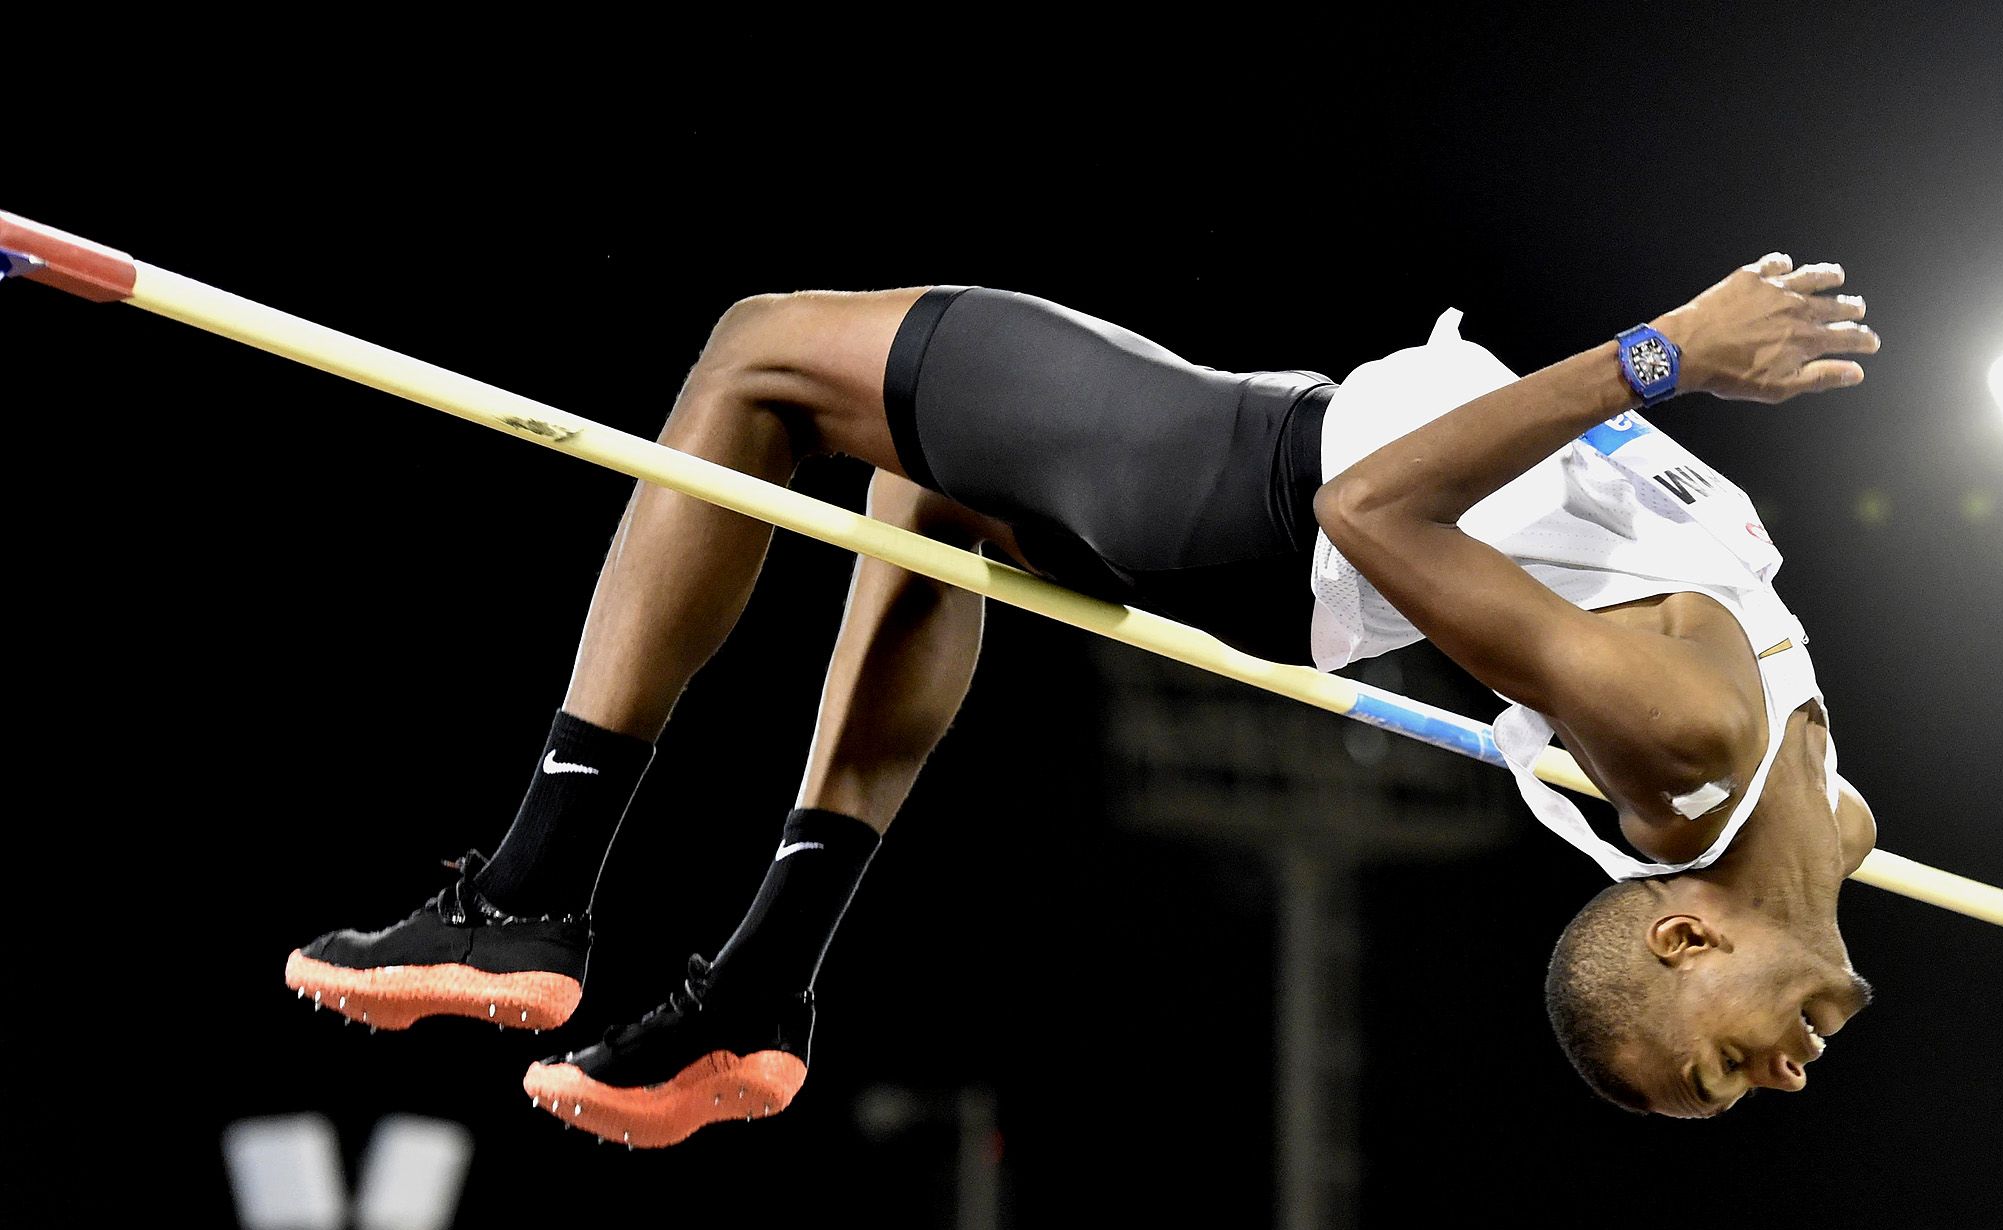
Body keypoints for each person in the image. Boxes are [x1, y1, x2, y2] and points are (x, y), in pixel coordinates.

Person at [284, 255, 1882, 1143]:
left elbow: (1372, 518)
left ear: (1688, 932)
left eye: (1729, 1071)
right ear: (1687, 932)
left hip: (1235, 483)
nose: (1779, 1078)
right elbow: (1820, 871)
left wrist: (1662, 353)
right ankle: (755, 994)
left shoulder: (1692, 746)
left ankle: (529, 891)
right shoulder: (1838, 825)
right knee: (923, 488)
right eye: (1732, 1072)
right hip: (1237, 496)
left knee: (759, 352)